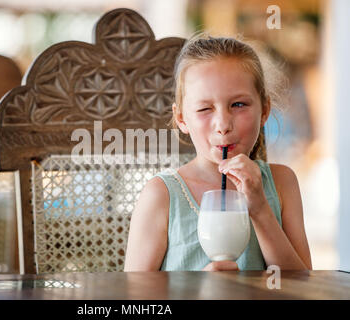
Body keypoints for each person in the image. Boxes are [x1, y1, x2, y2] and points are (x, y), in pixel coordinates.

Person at [124, 33, 312, 272]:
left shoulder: (282, 183)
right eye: (204, 108)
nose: (223, 124)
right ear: (181, 118)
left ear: (264, 110)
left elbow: (304, 287)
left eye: (238, 105)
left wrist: (260, 209)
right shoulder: (162, 195)